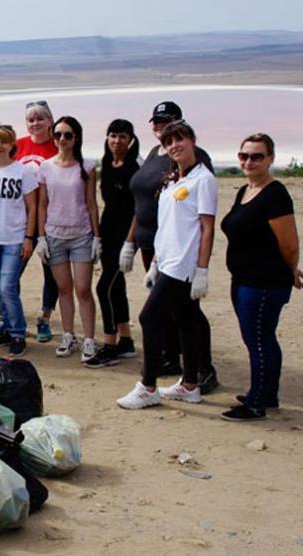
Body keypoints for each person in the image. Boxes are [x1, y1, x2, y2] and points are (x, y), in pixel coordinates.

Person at [117, 120, 217, 410]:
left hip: (184, 266)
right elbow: (167, 227)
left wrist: (202, 270)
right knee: (185, 319)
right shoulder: (174, 179)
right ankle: (190, 384)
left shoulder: (203, 179)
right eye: (169, 142)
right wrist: (155, 263)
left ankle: (147, 386)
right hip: (168, 260)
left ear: (193, 140)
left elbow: (206, 228)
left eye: (180, 139)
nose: (174, 146)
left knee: (150, 317)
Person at [219, 133, 302, 421]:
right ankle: (267, 394)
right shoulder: (245, 190)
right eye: (244, 156)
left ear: (270, 159)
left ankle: (256, 403)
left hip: (265, 282)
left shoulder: (275, 193)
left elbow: (290, 243)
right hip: (243, 279)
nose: (249, 161)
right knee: (261, 338)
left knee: (257, 340)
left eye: (257, 156)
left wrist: (291, 269)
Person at [36, 116, 100, 361]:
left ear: (76, 138)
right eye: (58, 134)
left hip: (82, 235)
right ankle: (68, 334)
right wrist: (41, 237)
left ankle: (90, 339)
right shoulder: (45, 167)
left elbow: (92, 204)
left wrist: (97, 236)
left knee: (83, 289)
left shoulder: (87, 166)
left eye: (68, 135)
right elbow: (43, 204)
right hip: (54, 235)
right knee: (63, 288)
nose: (62, 139)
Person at [0, 125, 38, 357]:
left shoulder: (23, 171)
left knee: (7, 287)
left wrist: (29, 238)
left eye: (3, 142)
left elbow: (32, 208)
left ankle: (19, 333)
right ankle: (7, 327)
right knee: (1, 288)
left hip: (14, 238)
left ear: (12, 145)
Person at [85, 120, 140, 368]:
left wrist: (130, 242)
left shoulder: (135, 169)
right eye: (113, 136)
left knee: (103, 287)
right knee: (116, 288)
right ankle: (125, 340)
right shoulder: (106, 163)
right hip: (108, 232)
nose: (117, 141)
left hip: (126, 235)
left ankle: (109, 345)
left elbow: (140, 209)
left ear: (131, 140)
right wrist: (97, 236)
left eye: (123, 137)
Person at [16, 100, 59, 343]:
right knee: (12, 272)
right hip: (20, 221)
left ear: (50, 120)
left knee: (50, 272)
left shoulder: (59, 145)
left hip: (50, 220)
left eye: (40, 118)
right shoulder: (18, 145)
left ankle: (44, 317)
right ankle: (13, 317)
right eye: (31, 120)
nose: (35, 123)